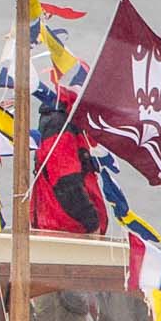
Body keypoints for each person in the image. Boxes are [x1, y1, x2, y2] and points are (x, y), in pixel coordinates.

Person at [29, 88, 107, 236]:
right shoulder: (60, 124)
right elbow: (66, 182)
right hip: (66, 230)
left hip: (62, 227)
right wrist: (91, 223)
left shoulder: (64, 122)